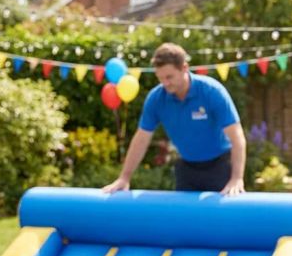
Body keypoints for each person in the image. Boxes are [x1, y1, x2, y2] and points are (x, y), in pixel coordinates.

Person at [103, 42, 246, 195]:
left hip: (220, 166)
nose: (165, 83)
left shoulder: (211, 92)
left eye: (169, 77)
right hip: (187, 168)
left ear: (184, 68)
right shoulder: (157, 98)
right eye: (160, 78)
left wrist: (236, 178)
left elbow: (237, 137)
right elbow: (141, 139)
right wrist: (124, 177)